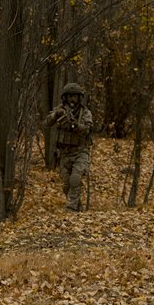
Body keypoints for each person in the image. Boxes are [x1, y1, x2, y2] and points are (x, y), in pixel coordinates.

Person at [44, 82, 94, 212]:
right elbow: (47, 123)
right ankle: (78, 207)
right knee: (67, 185)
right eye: (70, 96)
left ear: (79, 98)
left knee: (75, 179)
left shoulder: (85, 112)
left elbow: (87, 129)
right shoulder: (60, 110)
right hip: (64, 153)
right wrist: (56, 115)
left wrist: (74, 125)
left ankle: (71, 208)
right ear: (65, 97)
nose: (72, 100)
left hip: (80, 151)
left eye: (75, 97)